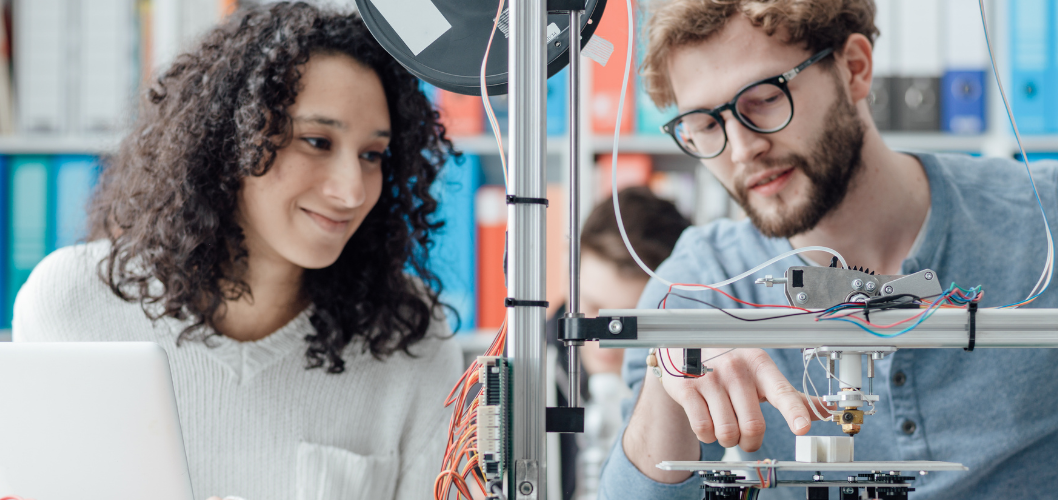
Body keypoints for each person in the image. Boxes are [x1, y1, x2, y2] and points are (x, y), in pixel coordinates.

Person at [597, 1, 1058, 499]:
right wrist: (672, 374)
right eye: (703, 125)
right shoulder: (699, 284)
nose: (742, 149)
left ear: (855, 68)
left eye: (765, 99)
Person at [12, 3, 462, 500]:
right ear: (232, 139)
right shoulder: (73, 305)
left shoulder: (409, 335)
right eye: (316, 141)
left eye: (372, 155)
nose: (352, 191)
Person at [546, 186, 691, 499]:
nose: (603, 341)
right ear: (571, 279)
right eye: (593, 308)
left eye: (630, 323)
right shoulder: (517, 370)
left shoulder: (697, 379)